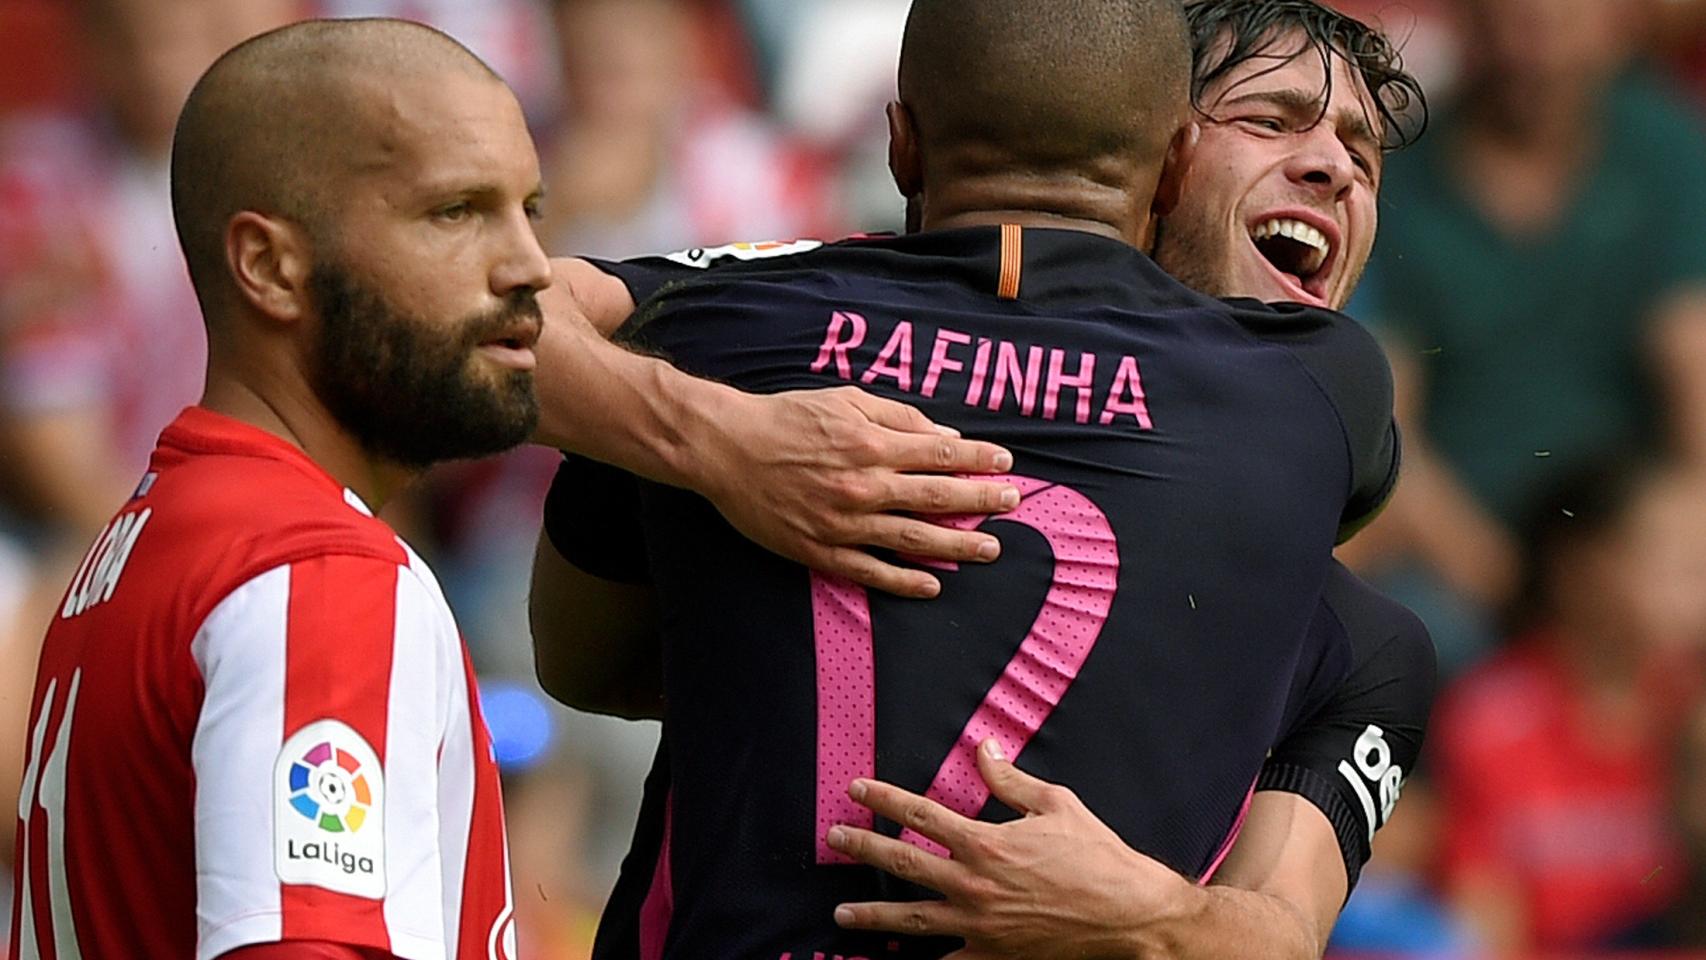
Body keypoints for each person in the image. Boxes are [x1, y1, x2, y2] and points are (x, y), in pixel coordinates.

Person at [528, 0, 1430, 957]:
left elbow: (1280, 937)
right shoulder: (754, 357)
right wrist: (725, 444)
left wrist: (1153, 918)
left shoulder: (743, 332)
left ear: (905, 147)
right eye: (1269, 119)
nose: (1333, 167)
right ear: (1167, 155)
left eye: (1365, 159)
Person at [8, 18, 551, 959]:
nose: (528, 266)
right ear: (267, 265)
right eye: (455, 212)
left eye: (528, 210)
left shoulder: (146, 545)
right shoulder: (315, 575)